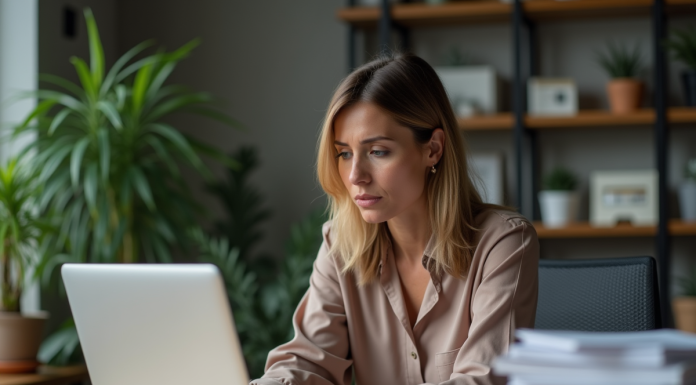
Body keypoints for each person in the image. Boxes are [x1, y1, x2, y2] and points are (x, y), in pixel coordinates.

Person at [250, 53, 539, 385]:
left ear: (433, 149)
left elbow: (482, 380)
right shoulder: (340, 246)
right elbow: (307, 362)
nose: (355, 175)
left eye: (378, 151)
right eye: (344, 153)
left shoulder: (503, 244)